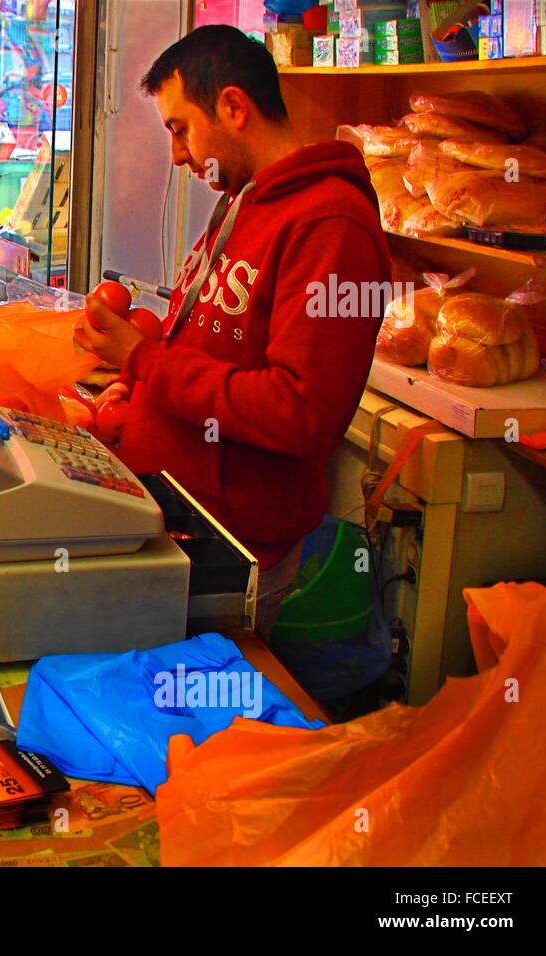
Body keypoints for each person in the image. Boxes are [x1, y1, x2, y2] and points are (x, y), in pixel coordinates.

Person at [76, 25, 390, 637]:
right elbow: (210, 340)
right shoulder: (244, 200)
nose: (176, 154)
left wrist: (145, 361)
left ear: (233, 107)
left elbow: (295, 411)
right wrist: (139, 393)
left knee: (203, 722)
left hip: (233, 552)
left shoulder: (332, 226)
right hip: (178, 525)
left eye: (179, 128)